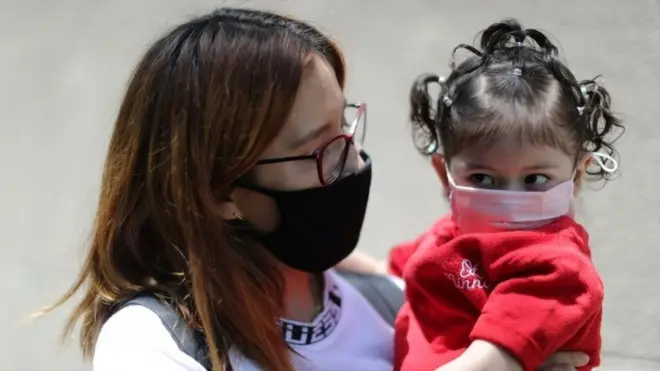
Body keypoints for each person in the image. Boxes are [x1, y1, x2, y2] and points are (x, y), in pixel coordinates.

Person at [38, 8, 591, 371]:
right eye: (318, 147)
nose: (350, 160)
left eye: (345, 128)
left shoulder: (396, 304)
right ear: (215, 190)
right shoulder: (154, 344)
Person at [388, 19, 624, 371]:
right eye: (483, 177)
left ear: (576, 176)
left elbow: (485, 365)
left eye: (535, 179)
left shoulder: (557, 269)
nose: (509, 199)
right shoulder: (452, 233)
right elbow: (388, 271)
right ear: (445, 173)